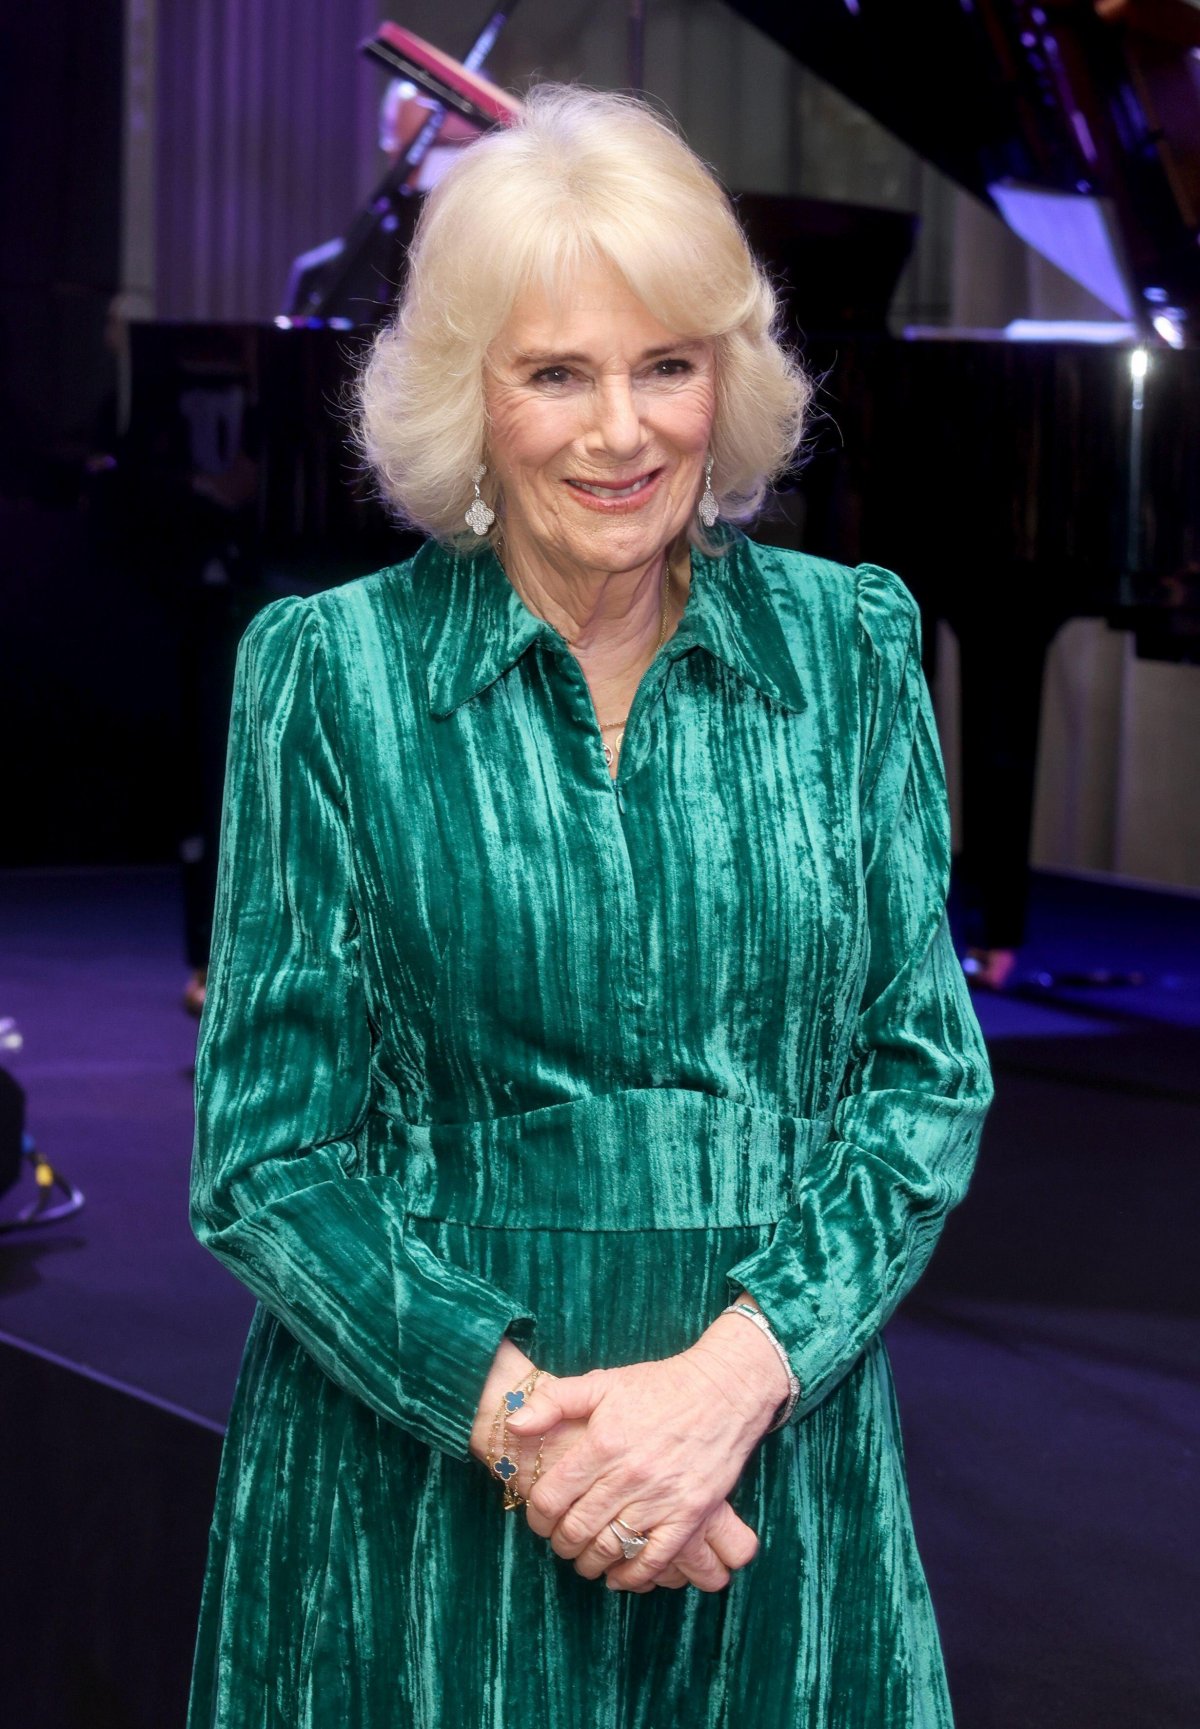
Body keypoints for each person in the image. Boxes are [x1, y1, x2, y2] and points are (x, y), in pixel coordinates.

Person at [188, 84, 994, 1728]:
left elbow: (925, 1084)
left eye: (667, 366)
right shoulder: (329, 678)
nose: (621, 432)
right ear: (467, 397)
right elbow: (268, 1154)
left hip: (772, 1470)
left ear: (728, 379)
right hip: (417, 1488)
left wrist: (721, 1391)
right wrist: (536, 1436)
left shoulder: (850, 654)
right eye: (557, 372)